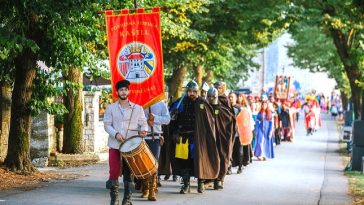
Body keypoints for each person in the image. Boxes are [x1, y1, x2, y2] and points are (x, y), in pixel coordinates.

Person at [170, 80, 219, 194]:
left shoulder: (202, 103)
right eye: (189, 91)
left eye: (194, 91)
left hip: (198, 139)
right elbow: (171, 119)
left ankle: (200, 183)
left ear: (197, 92)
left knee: (199, 160)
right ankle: (186, 185)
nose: (191, 93)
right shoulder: (180, 103)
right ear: (186, 91)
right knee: (184, 162)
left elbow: (210, 119)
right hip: (183, 138)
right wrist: (174, 114)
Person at [104, 80, 148, 205]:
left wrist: (144, 131)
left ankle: (127, 199)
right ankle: (114, 200)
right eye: (121, 90)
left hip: (131, 146)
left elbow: (143, 123)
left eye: (125, 89)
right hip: (115, 144)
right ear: (117, 92)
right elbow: (107, 125)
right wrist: (116, 134)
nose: (123, 92)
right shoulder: (111, 108)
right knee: (113, 171)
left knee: (129, 172)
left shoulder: (137, 108)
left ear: (129, 91)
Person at [139, 100, 171, 201]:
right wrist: (145, 121)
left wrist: (155, 118)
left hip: (155, 138)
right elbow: (134, 120)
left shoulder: (161, 104)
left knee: (153, 164)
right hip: (142, 138)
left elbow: (167, 119)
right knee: (143, 164)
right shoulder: (139, 103)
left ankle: (152, 190)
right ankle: (145, 188)